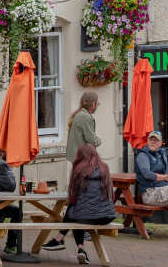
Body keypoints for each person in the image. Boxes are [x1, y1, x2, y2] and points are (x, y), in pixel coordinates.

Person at [44, 92, 102, 250]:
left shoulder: (78, 116)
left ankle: (68, 242)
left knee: (76, 204)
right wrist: (99, 140)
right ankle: (68, 242)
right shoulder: (86, 117)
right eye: (97, 103)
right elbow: (91, 139)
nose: (97, 106)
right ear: (93, 104)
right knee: (77, 205)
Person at [54, 144, 117, 264]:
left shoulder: (78, 169)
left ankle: (62, 240)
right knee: (78, 213)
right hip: (107, 217)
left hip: (85, 217)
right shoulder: (105, 168)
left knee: (75, 212)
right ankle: (71, 245)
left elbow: (73, 198)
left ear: (80, 156)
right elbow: (111, 195)